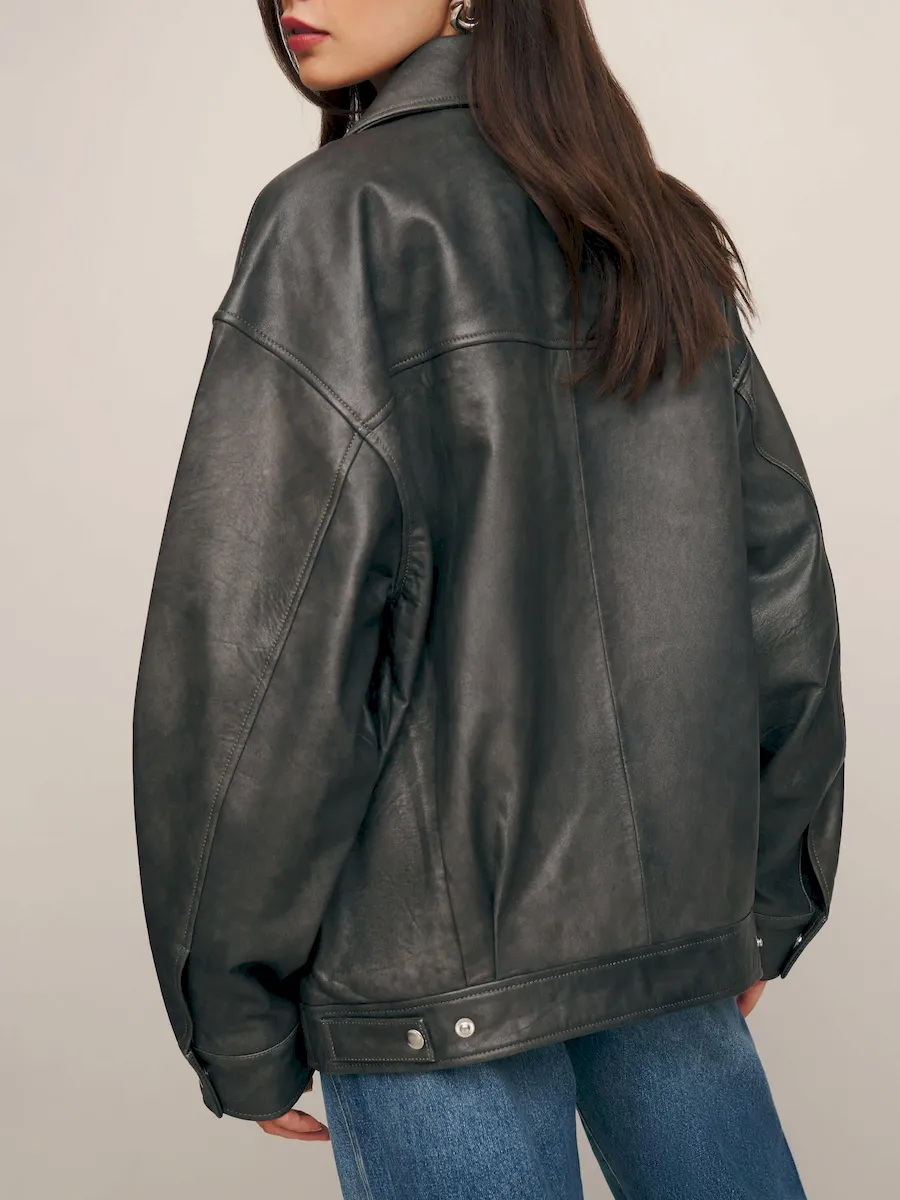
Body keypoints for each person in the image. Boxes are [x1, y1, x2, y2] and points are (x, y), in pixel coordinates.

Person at [132, 2, 846, 1197]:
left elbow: (253, 669)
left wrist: (235, 1017)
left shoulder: (337, 220)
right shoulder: (649, 223)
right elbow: (783, 596)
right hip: (673, 957)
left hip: (431, 996)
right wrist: (768, 900)